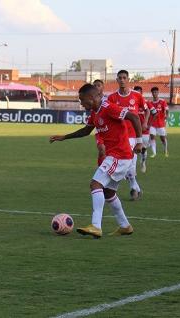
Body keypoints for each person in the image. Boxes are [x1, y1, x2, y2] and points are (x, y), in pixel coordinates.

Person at [50, 84, 142, 238]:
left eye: (82, 100)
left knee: (95, 184)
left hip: (120, 155)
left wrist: (139, 142)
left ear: (91, 98)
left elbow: (133, 116)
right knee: (108, 192)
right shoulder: (95, 112)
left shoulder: (108, 108)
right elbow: (86, 131)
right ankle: (125, 226)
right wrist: (64, 137)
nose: (81, 103)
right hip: (117, 156)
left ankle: (96, 226)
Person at [107, 70, 145, 200]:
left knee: (130, 164)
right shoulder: (112, 98)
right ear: (117, 80)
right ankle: (135, 187)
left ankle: (134, 188)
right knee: (127, 165)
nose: (122, 80)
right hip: (119, 137)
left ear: (128, 79)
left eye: (124, 78)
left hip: (133, 136)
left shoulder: (137, 96)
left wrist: (144, 125)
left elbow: (146, 111)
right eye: (120, 78)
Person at [133, 86, 152, 173]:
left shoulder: (146, 103)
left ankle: (143, 162)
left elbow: (154, 113)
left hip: (144, 131)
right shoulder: (132, 103)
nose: (137, 94)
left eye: (138, 92)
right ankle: (132, 170)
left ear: (141, 93)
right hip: (133, 130)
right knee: (132, 150)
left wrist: (148, 124)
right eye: (135, 92)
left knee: (143, 149)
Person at [147, 87, 169, 157]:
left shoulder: (162, 101)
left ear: (158, 93)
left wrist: (167, 115)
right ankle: (154, 153)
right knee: (152, 137)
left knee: (162, 138)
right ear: (152, 93)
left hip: (160, 123)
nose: (154, 94)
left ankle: (165, 150)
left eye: (156, 92)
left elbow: (167, 110)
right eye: (153, 92)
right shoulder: (150, 102)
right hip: (152, 123)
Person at [92, 79, 106, 166]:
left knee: (110, 152)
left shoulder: (109, 99)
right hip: (99, 129)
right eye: (94, 86)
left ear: (103, 87)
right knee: (102, 149)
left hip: (110, 130)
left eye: (98, 85)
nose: (96, 87)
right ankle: (100, 169)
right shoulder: (92, 100)